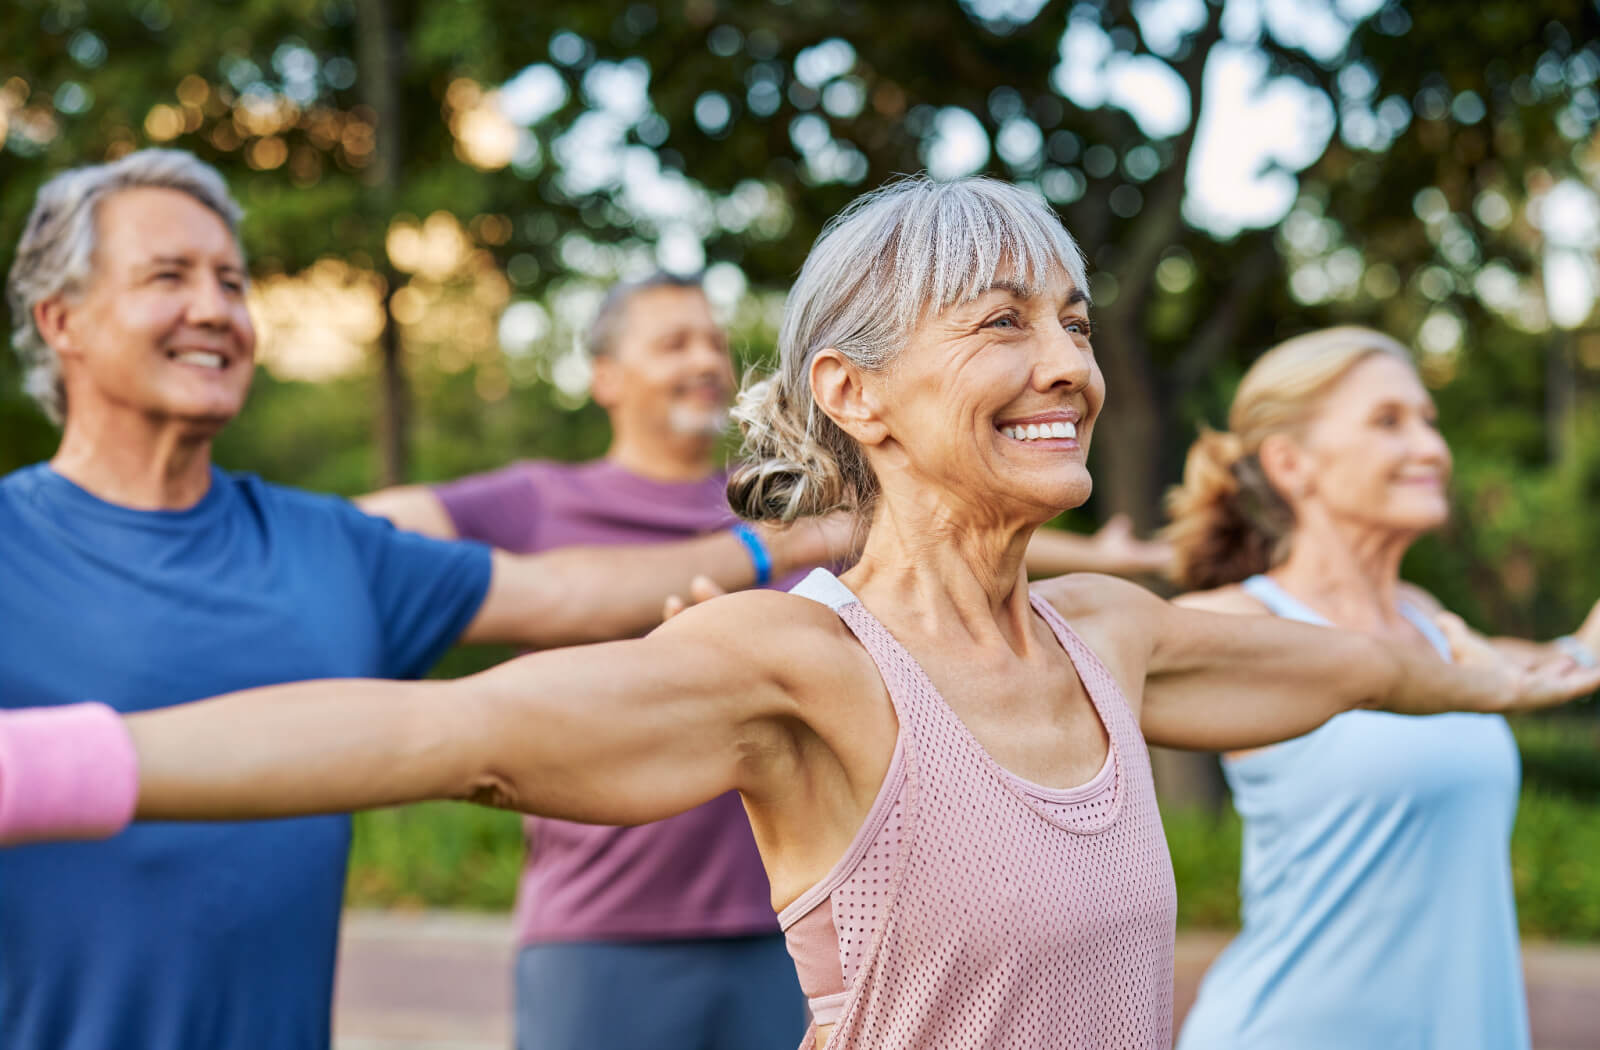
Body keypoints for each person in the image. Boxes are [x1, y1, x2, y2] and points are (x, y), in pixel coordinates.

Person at [4, 178, 1595, 1050]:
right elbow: (446, 730)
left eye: (1073, 318)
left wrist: (1535, 671)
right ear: (857, 395)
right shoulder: (802, 667)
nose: (1068, 362)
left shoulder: (1111, 630)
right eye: (999, 322)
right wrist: (42, 770)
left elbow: (1364, 663)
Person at [0, 148, 838, 1050]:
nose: (214, 306)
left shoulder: (330, 549)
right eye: (169, 275)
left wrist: (795, 540)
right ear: (63, 321)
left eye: (232, 281)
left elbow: (568, 592)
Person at [357, 270, 1172, 1050]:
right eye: (674, 344)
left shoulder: (788, 494)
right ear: (604, 376)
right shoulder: (538, 499)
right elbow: (366, 533)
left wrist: (1102, 551)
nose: (706, 361)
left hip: (786, 928)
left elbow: (962, 512)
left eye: (713, 342)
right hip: (603, 926)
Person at [1164, 327, 1600, 1050]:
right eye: (1389, 422)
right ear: (1291, 463)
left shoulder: (1429, 620)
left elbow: (1560, 665)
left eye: (1429, 420)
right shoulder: (1236, 622)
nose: (1433, 449)